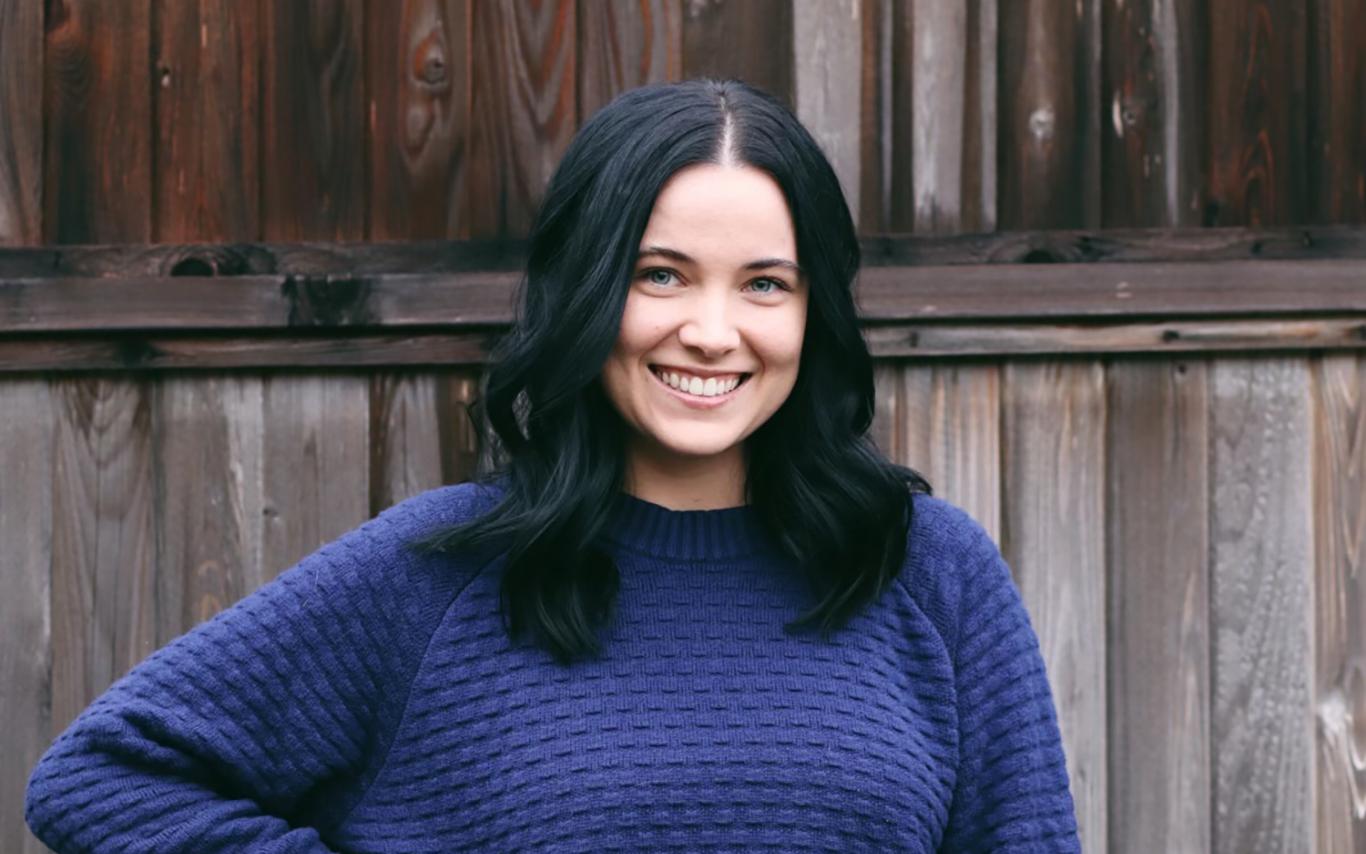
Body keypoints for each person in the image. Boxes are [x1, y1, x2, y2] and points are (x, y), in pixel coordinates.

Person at [25, 78, 1080, 852]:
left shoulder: (927, 570)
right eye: (659, 274)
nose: (713, 331)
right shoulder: (431, 573)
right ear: (585, 290)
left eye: (764, 284)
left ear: (815, 313)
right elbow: (104, 777)